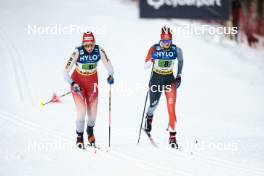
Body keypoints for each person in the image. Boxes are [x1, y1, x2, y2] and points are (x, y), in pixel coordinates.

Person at [63, 31, 114, 148]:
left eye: (91, 44)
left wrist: (111, 75)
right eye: (86, 45)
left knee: (93, 114)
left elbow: (110, 67)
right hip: (78, 84)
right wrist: (73, 83)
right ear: (83, 44)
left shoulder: (99, 50)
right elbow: (64, 72)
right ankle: (79, 136)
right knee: (81, 112)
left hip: (92, 83)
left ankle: (90, 130)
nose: (89, 47)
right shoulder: (77, 52)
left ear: (94, 43)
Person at [144, 26, 183, 148]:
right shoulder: (154, 48)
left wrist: (179, 76)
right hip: (156, 79)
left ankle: (172, 137)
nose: (167, 44)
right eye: (165, 41)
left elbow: (181, 61)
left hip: (169, 80)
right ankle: (149, 117)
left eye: (169, 41)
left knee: (171, 108)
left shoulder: (176, 50)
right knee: (153, 104)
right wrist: (152, 58)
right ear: (161, 39)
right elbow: (145, 65)